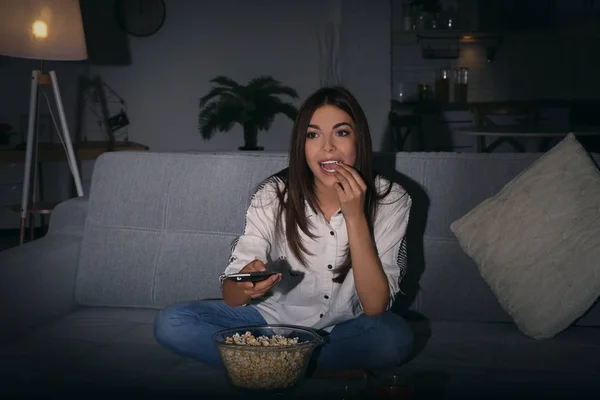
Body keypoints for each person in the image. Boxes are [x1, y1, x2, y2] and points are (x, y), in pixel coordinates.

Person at [154, 86, 413, 372]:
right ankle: (300, 366)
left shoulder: (392, 198)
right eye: (313, 135)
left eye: (341, 132)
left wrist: (355, 218)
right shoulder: (273, 194)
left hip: (342, 328)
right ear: (301, 145)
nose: (327, 147)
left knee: (393, 340)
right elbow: (231, 294)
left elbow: (375, 306)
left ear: (359, 140)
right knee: (172, 322)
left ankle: (269, 364)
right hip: (268, 322)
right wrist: (246, 285)